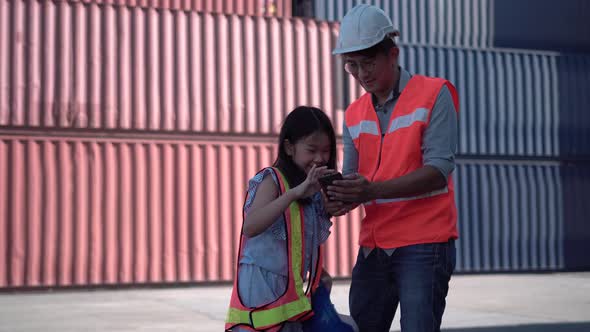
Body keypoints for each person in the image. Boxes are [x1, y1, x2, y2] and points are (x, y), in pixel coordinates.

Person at [325, 4, 460, 332]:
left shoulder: (434, 94)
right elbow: (355, 179)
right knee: (363, 325)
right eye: (352, 66)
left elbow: (439, 168)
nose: (361, 74)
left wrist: (371, 190)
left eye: (368, 62)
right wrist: (338, 197)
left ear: (393, 54)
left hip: (424, 241)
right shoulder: (354, 113)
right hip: (374, 244)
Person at [225, 106, 358, 332]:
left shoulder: (312, 190)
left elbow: (299, 244)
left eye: (326, 151)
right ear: (289, 147)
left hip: (290, 291)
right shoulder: (272, 180)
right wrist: (294, 194)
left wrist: (329, 209)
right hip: (261, 289)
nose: (319, 158)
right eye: (311, 150)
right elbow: (251, 226)